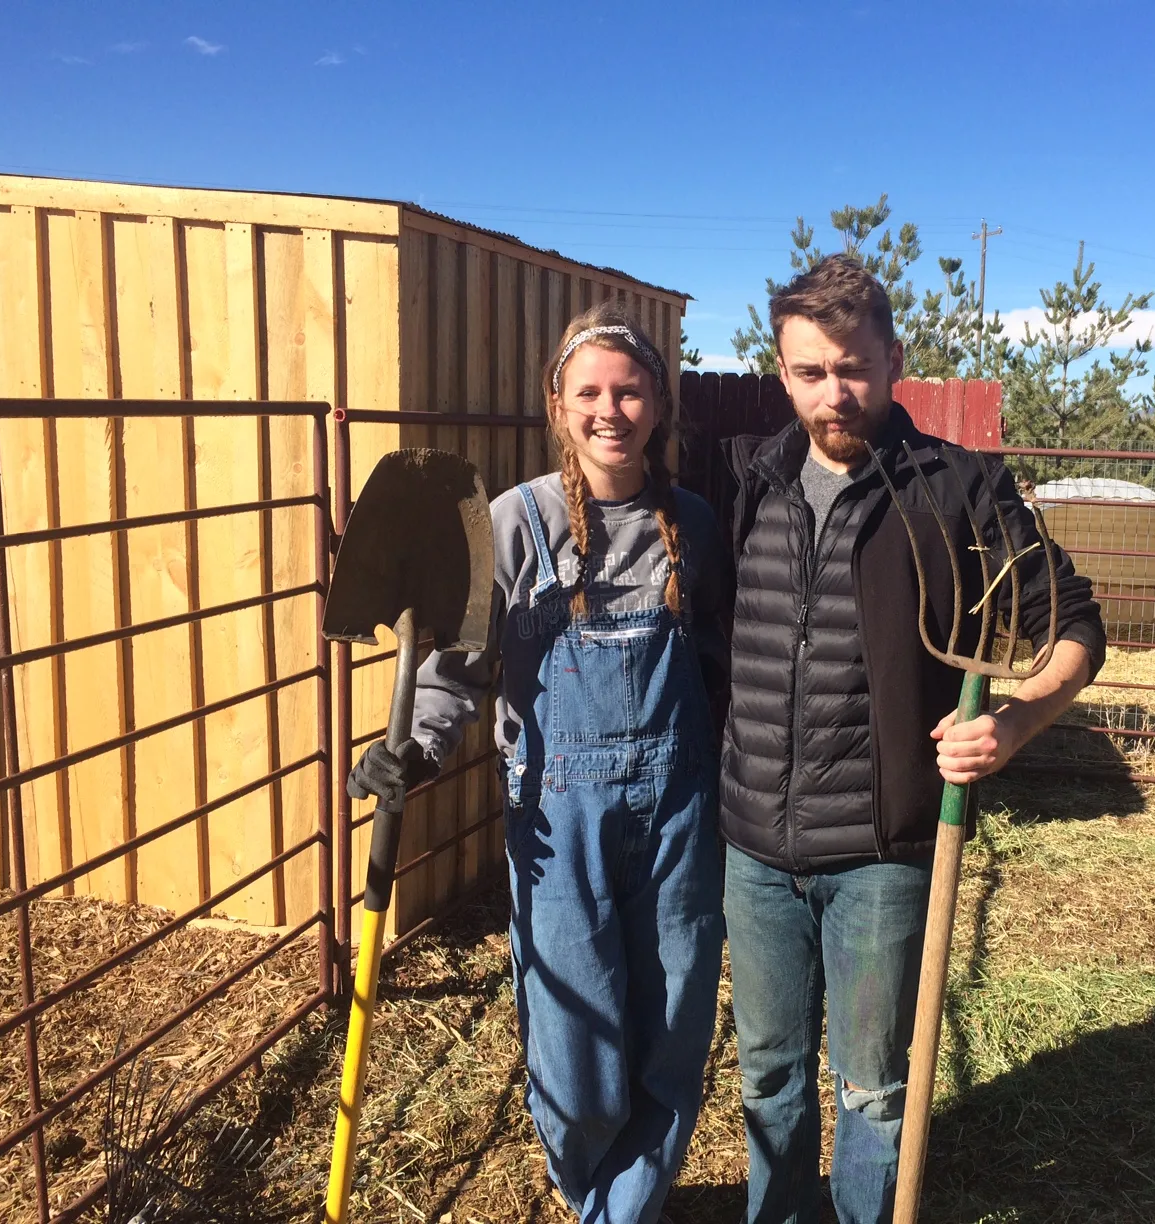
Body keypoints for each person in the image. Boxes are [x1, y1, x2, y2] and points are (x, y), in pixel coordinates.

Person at [716, 254, 1107, 1224]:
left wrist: (1014, 722)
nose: (833, 393)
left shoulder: (956, 492)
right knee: (767, 1074)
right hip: (754, 845)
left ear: (893, 360)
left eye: (852, 368)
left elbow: (1076, 626)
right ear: (781, 370)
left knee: (872, 1084)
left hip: (885, 851)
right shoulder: (748, 482)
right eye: (810, 373)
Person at [347, 304, 727, 1223]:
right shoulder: (515, 524)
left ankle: (629, 1208)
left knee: (673, 1030)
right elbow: (454, 669)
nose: (611, 410)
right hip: (561, 831)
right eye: (589, 392)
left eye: (630, 390)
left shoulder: (698, 524)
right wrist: (412, 749)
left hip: (680, 818)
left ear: (659, 403)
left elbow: (719, 669)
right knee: (576, 1042)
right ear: (557, 406)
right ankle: (593, 1186)